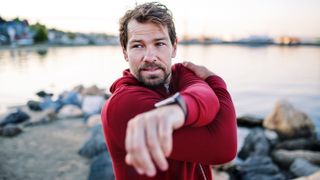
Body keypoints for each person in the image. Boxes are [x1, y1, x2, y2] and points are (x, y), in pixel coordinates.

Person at [101, 2, 237, 180]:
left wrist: (178, 109)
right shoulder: (123, 104)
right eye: (137, 46)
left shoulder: (181, 74)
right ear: (125, 52)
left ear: (174, 47)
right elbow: (223, 148)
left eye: (159, 44)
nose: (150, 57)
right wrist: (216, 82)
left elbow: (204, 94)